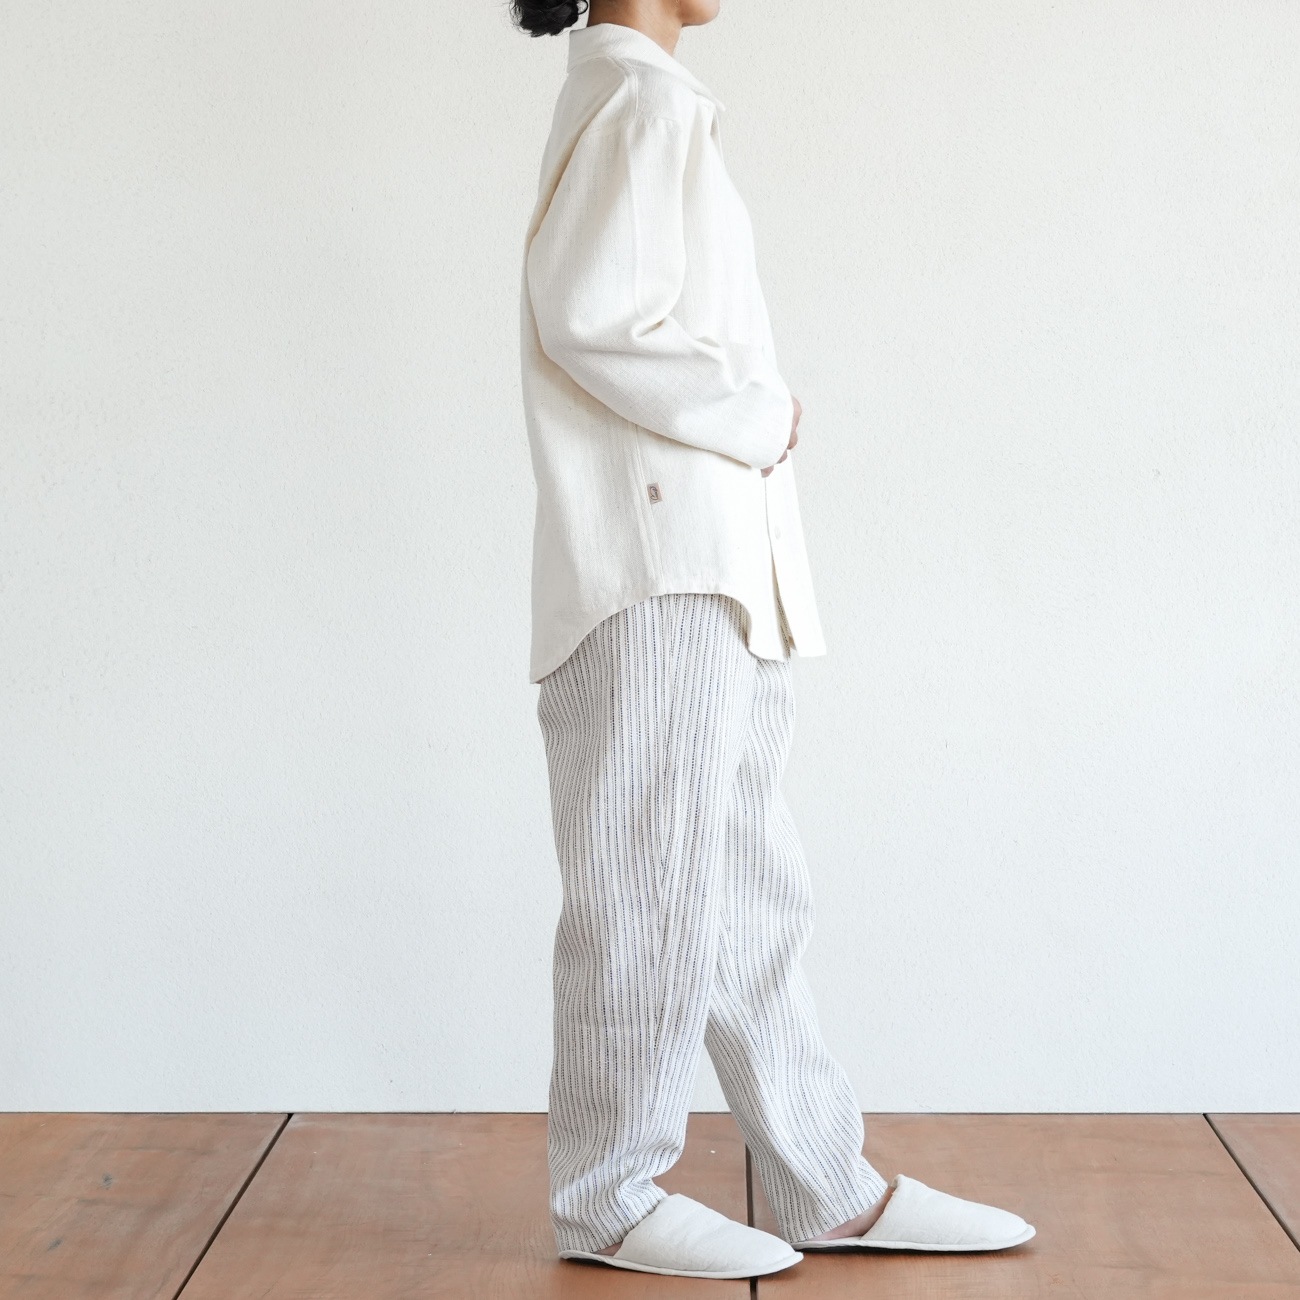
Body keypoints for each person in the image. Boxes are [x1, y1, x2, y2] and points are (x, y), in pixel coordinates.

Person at [513, 0, 1036, 1280]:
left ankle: (823, 1180)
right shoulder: (638, 101)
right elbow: (589, 313)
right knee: (645, 891)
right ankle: (607, 1195)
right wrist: (755, 413)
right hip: (660, 566)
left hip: (707, 569)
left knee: (744, 892)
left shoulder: (650, 100)